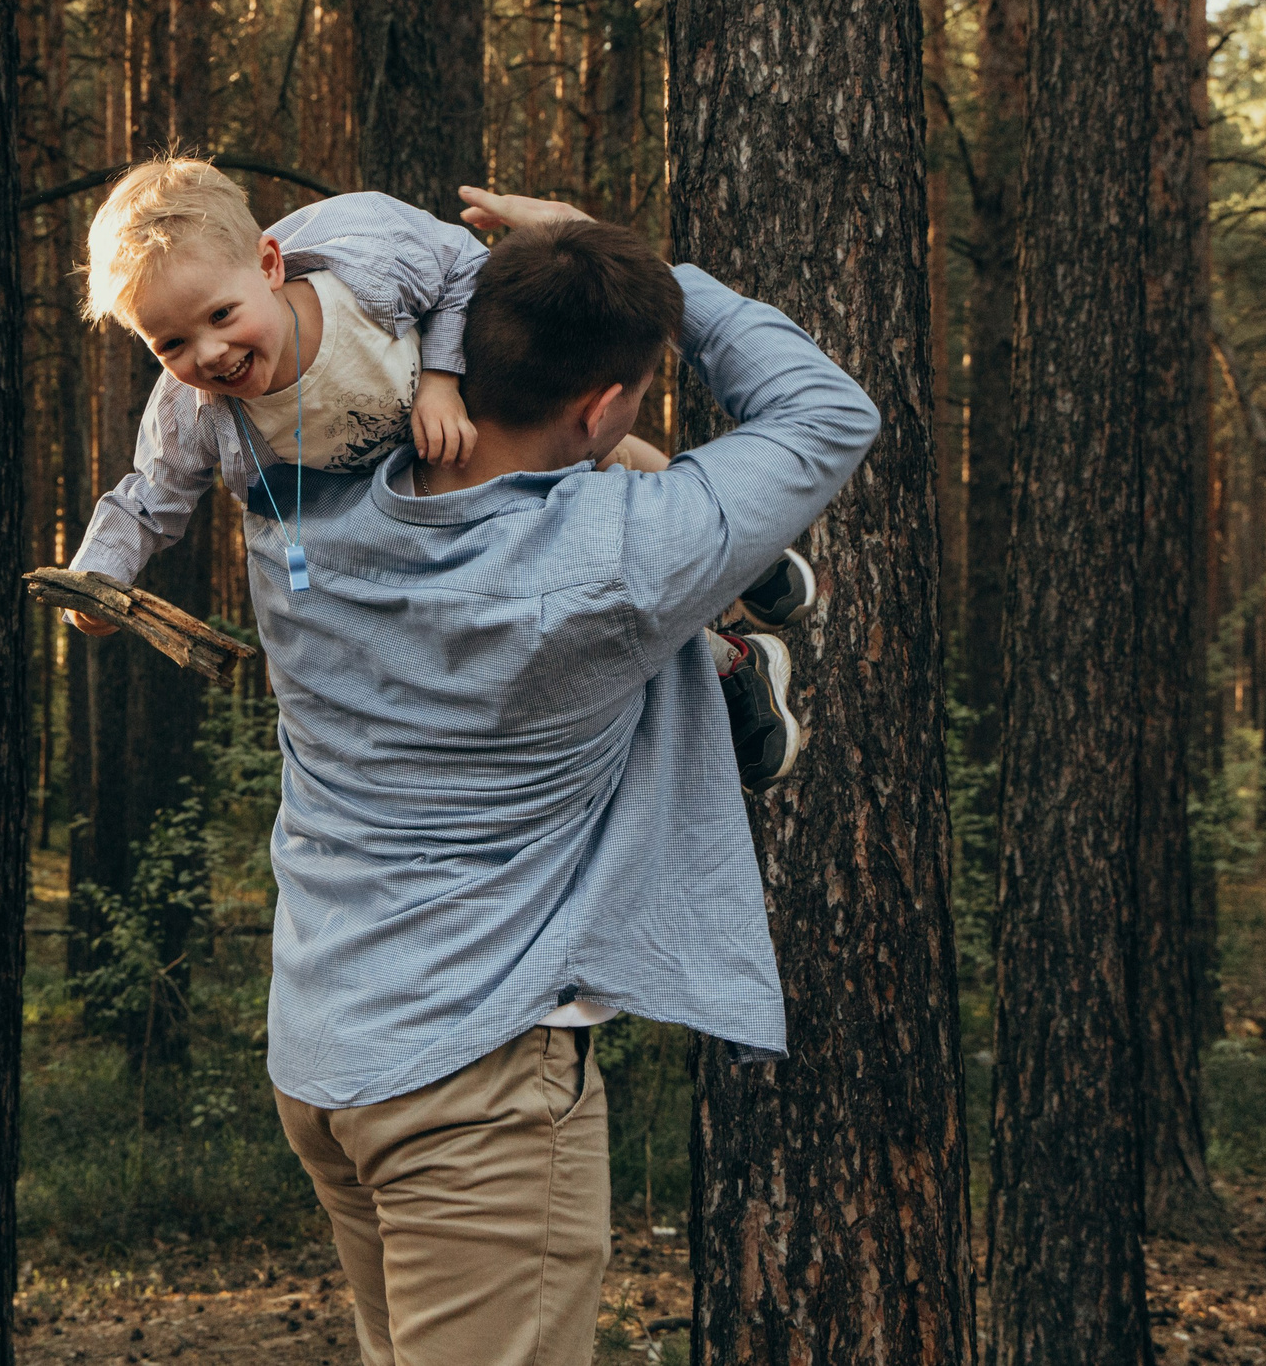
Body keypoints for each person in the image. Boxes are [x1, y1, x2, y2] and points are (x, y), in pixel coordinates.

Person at [250, 188, 880, 1364]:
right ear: (599, 408)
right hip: (473, 1090)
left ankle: (728, 667)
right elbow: (828, 412)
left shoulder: (298, 500)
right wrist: (658, 283)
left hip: (326, 1057)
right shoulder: (613, 558)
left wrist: (508, 281)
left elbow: (285, 309)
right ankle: (729, 667)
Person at [62, 156, 816, 789]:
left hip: (464, 418)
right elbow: (149, 495)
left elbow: (464, 266)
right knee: (534, 600)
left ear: (268, 264)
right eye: (170, 344)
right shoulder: (191, 410)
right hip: (387, 515)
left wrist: (442, 379)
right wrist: (97, 575)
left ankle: (730, 542)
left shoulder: (365, 259)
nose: (209, 354)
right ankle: (732, 662)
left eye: (222, 316)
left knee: (593, 474)